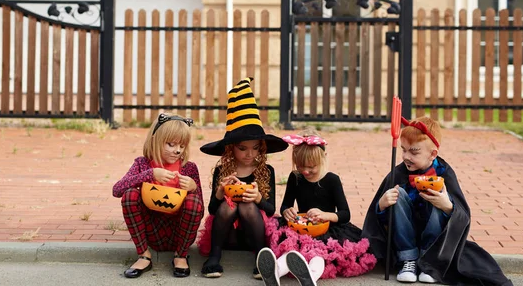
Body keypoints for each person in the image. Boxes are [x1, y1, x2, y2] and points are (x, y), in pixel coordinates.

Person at [362, 116, 512, 285]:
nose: (406, 156)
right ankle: (408, 260)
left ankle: (430, 262)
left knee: (443, 196)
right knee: (398, 194)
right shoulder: (398, 173)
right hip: (404, 239)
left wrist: (448, 206)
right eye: (403, 150)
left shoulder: (444, 173)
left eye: (414, 151)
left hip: (436, 243)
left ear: (433, 153)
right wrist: (382, 205)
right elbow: (380, 223)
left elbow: (462, 215)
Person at [197, 77, 288, 279]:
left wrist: (257, 198)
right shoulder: (223, 171)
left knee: (246, 205)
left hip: (254, 234)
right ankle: (214, 256)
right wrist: (220, 193)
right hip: (226, 234)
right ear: (231, 148)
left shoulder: (267, 171)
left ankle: (261, 257)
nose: (249, 154)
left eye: (255, 148)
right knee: (229, 205)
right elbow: (212, 210)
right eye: (242, 148)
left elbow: (272, 210)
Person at [259, 130, 376, 285]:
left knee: (319, 253)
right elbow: (286, 205)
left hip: (327, 230)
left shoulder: (332, 180)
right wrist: (287, 211)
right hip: (301, 227)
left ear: (323, 159)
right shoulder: (295, 177)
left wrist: (326, 215)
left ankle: (310, 277)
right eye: (300, 166)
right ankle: (275, 273)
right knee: (290, 249)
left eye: (311, 167)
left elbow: (345, 214)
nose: (305, 171)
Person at [112, 113, 204, 279]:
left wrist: (193, 187)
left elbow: (200, 209)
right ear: (155, 140)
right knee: (130, 194)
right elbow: (117, 190)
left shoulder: (189, 168)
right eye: (171, 144)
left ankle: (181, 256)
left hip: (179, 233)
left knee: (193, 201)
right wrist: (149, 174)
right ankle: (144, 256)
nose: (177, 150)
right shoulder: (142, 164)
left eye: (182, 146)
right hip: (150, 231)